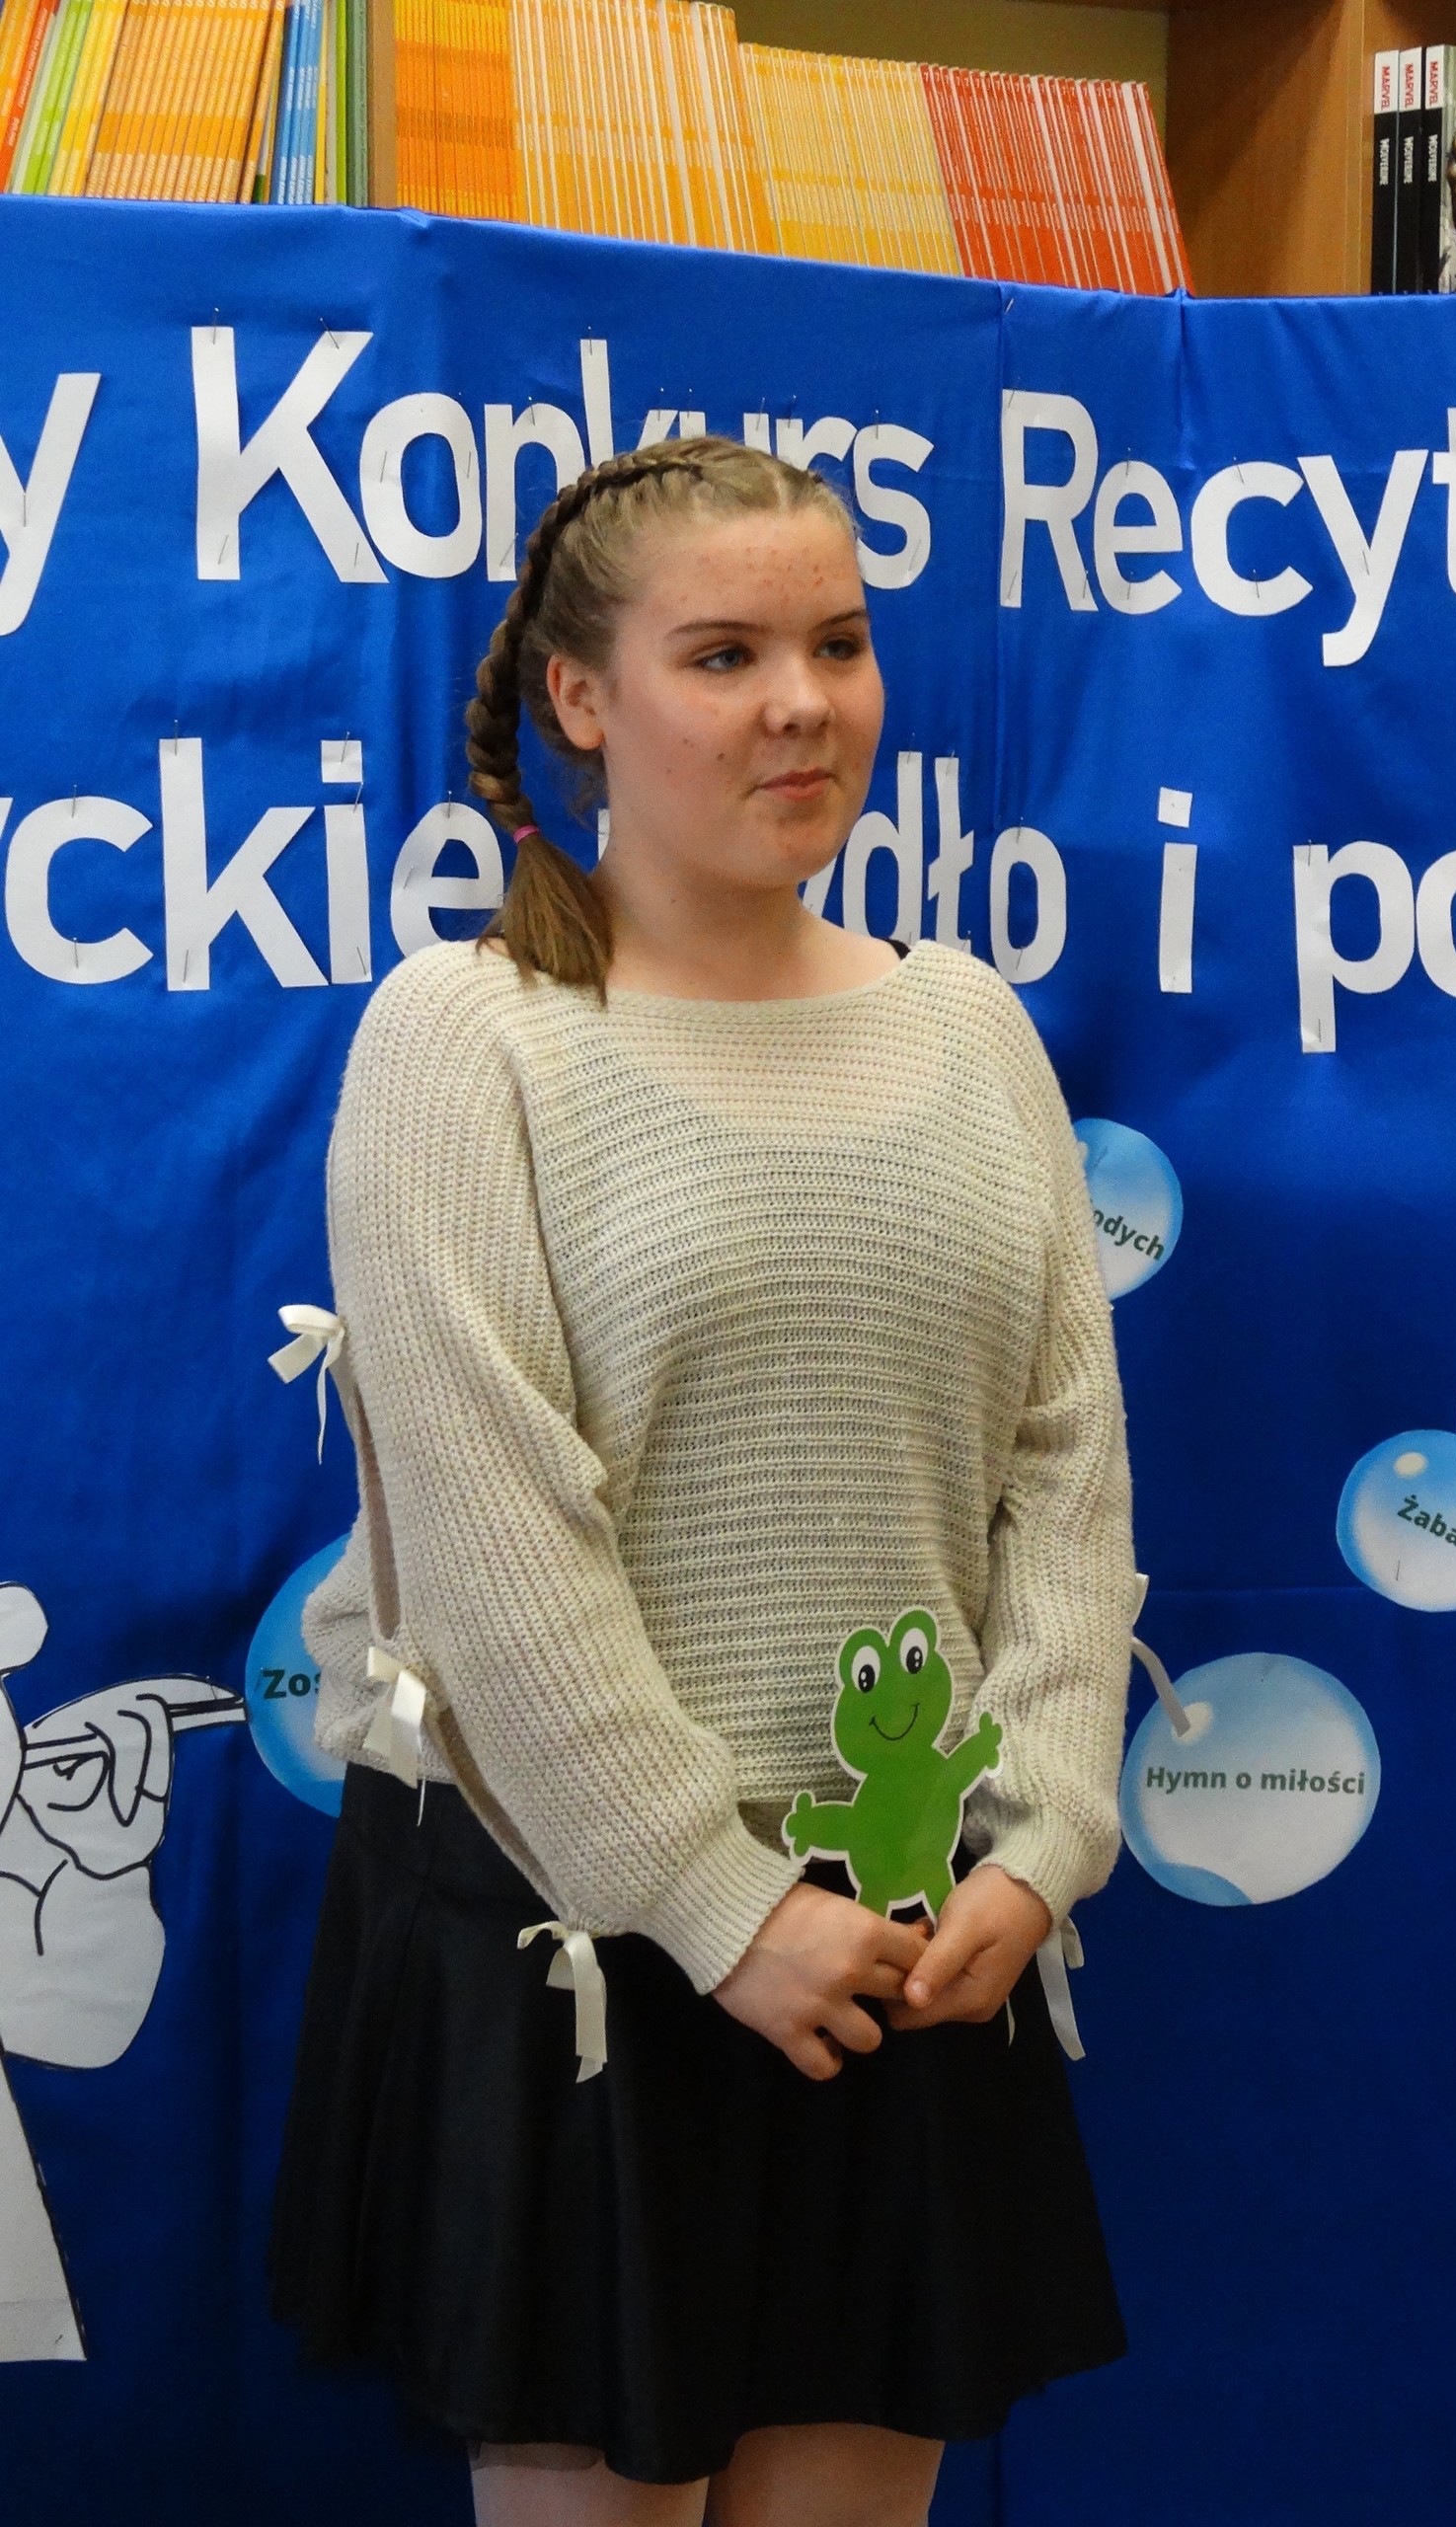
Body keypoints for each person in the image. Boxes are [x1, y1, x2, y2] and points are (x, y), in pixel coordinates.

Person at [268, 436, 1137, 2527]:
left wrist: (1040, 1835)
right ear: (582, 698)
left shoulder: (972, 1028)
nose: (800, 705)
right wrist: (714, 1903)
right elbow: (489, 1549)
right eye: (724, 654)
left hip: (914, 1937)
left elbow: (1065, 1474)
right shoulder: (466, 1041)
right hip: (586, 1941)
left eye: (837, 644)